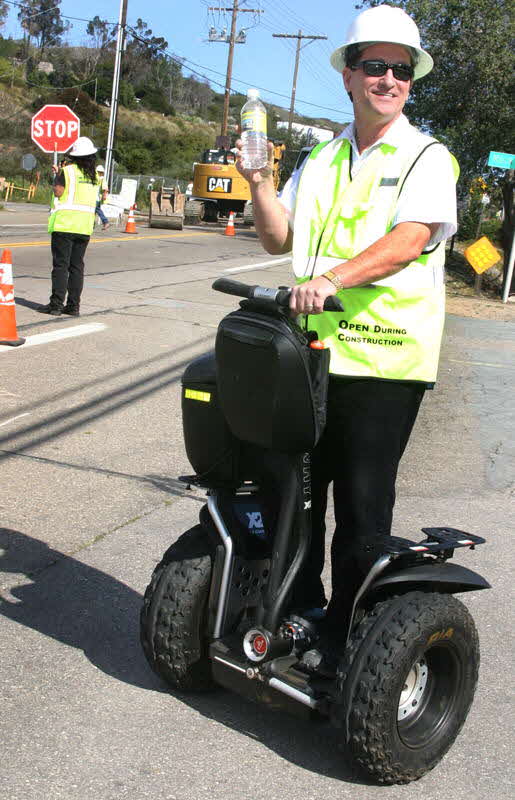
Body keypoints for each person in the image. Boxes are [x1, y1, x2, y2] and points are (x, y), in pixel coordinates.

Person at [235, 5, 458, 675]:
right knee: (294, 495)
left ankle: (350, 638)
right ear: (349, 77)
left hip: (385, 360)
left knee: (361, 513)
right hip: (309, 356)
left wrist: (331, 277)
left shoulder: (426, 156)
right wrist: (258, 181)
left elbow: (410, 238)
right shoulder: (324, 157)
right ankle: (302, 613)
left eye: (399, 69)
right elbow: (279, 238)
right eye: (373, 66)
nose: (386, 78)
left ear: (409, 82)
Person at [40, 136, 100, 317]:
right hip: (84, 227)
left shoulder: (67, 171)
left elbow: (58, 191)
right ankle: (73, 306)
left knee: (60, 266)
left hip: (65, 224)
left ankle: (56, 304)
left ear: (75, 156)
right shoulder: (95, 176)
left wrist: (57, 175)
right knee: (76, 267)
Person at [95, 165, 110, 230]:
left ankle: (105, 222)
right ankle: (91, 225)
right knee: (93, 212)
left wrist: (104, 195)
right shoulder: (98, 178)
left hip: (96, 198)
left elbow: (105, 189)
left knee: (97, 210)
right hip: (95, 198)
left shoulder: (102, 179)